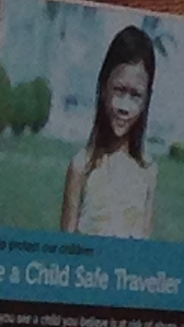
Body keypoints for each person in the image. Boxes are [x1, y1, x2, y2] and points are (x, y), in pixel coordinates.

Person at [62, 26, 160, 238]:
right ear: (104, 87)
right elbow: (65, 251)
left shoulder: (147, 170)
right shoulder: (81, 166)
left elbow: (146, 248)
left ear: (146, 99)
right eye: (119, 90)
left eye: (136, 95)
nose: (124, 107)